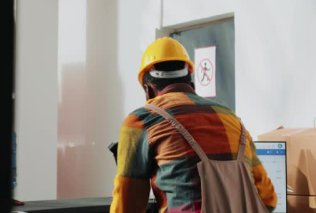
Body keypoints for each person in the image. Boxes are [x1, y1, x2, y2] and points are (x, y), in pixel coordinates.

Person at [110, 37, 277, 213]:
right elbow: (268, 199)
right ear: (190, 81)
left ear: (147, 89)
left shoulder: (141, 120)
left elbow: (127, 205)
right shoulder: (231, 118)